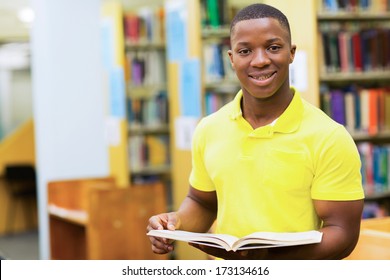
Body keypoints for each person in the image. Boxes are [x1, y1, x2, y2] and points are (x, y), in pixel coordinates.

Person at [147, 3, 364, 259]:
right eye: (245, 50)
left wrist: (266, 261)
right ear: (231, 59)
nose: (260, 61)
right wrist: (174, 224)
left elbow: (343, 234)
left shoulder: (329, 137)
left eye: (273, 47)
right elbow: (202, 202)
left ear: (291, 53)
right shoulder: (209, 129)